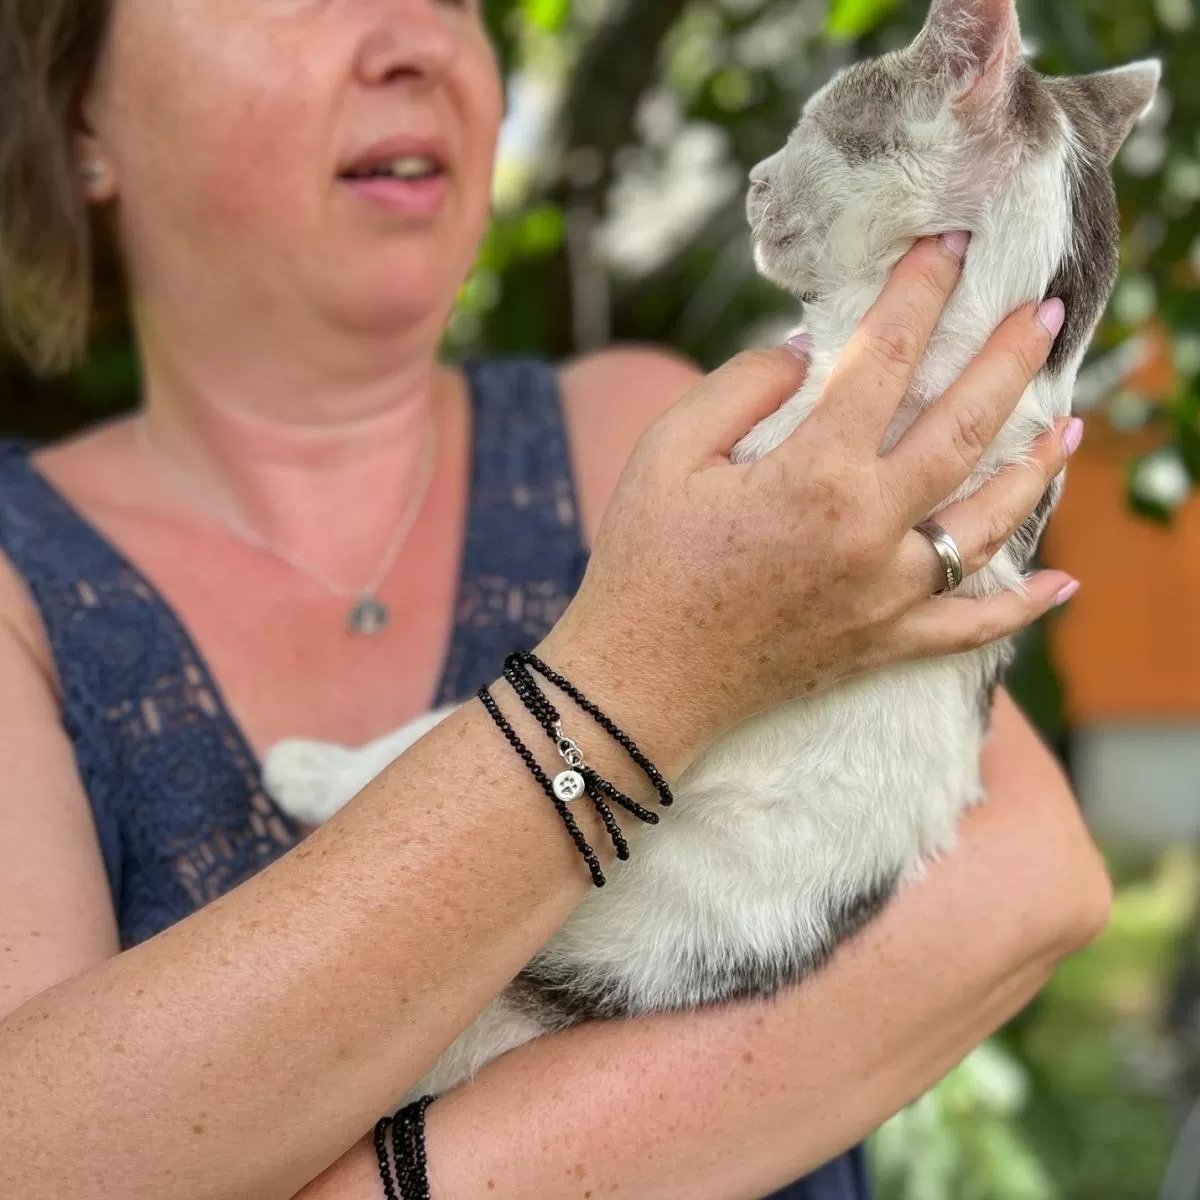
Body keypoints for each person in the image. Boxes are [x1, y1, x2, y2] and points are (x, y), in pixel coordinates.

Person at [0, 3, 1108, 1199]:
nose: (416, 36)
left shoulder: (661, 416)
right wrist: (659, 664)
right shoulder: (23, 582)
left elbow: (1030, 880)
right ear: (78, 120)